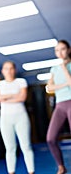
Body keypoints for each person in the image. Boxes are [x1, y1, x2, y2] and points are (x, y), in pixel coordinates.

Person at [0, 61, 35, 174]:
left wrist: (4, 98)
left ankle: (31, 172)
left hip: (20, 117)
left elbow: (22, 98)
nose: (9, 71)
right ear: (2, 71)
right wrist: (13, 95)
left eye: (11, 68)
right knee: (10, 148)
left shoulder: (21, 82)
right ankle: (11, 172)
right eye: (6, 68)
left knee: (26, 146)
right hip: (5, 119)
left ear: (14, 70)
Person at [46, 40, 71, 174]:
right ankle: (61, 166)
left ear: (68, 50)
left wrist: (63, 68)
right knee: (50, 138)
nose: (60, 52)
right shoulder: (53, 69)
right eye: (57, 50)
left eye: (62, 49)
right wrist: (63, 85)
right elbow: (49, 88)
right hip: (60, 105)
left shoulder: (66, 66)